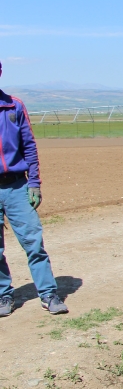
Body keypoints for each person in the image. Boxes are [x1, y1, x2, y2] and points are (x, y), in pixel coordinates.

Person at [0, 61, 68, 317]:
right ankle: (3, 296)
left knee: (34, 243)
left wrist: (34, 183)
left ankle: (49, 294)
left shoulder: (13, 107)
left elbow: (29, 146)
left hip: (17, 186)